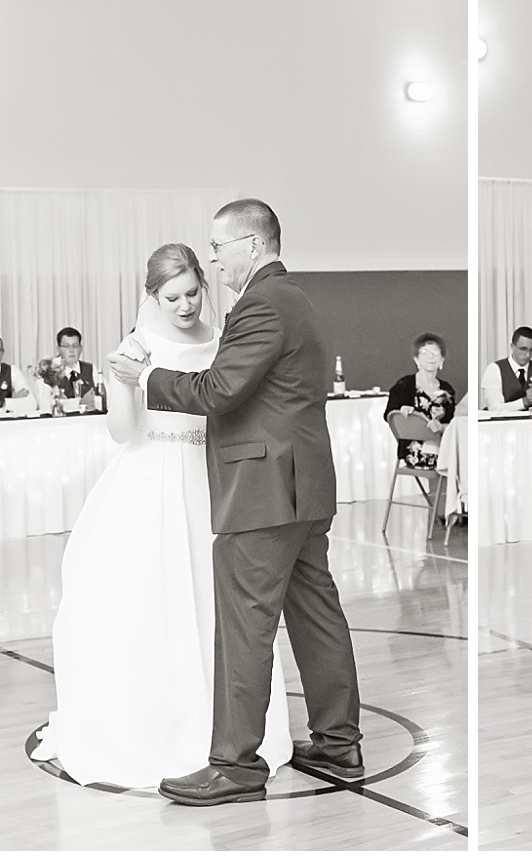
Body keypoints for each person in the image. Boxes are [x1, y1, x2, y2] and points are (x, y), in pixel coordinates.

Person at [109, 198, 363, 807]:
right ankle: (337, 740)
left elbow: (221, 390)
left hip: (264, 490)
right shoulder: (292, 299)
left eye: (219, 249)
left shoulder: (260, 304)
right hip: (302, 488)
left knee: (246, 626)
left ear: (250, 244)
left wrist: (144, 379)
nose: (216, 262)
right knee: (316, 615)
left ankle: (236, 764)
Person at [30, 243, 292, 789]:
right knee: (148, 601)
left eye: (193, 292)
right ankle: (154, 727)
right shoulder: (136, 345)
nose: (185, 305)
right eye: (172, 297)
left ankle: (225, 732)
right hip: (150, 478)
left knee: (217, 604)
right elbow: (123, 432)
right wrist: (122, 384)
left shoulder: (223, 341)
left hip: (211, 479)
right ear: (153, 296)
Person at [387, 333, 457, 466]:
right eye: (424, 352)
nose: (430, 357)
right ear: (416, 360)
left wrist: (441, 427)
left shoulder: (447, 390)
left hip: (442, 445)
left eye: (435, 352)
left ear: (442, 360)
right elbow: (390, 415)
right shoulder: (404, 385)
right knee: (455, 461)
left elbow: (451, 423)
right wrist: (403, 410)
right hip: (414, 451)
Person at [481, 326, 532, 411]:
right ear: (512, 346)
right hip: (504, 423)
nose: (527, 355)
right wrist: (525, 402)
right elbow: (495, 408)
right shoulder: (494, 369)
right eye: (523, 349)